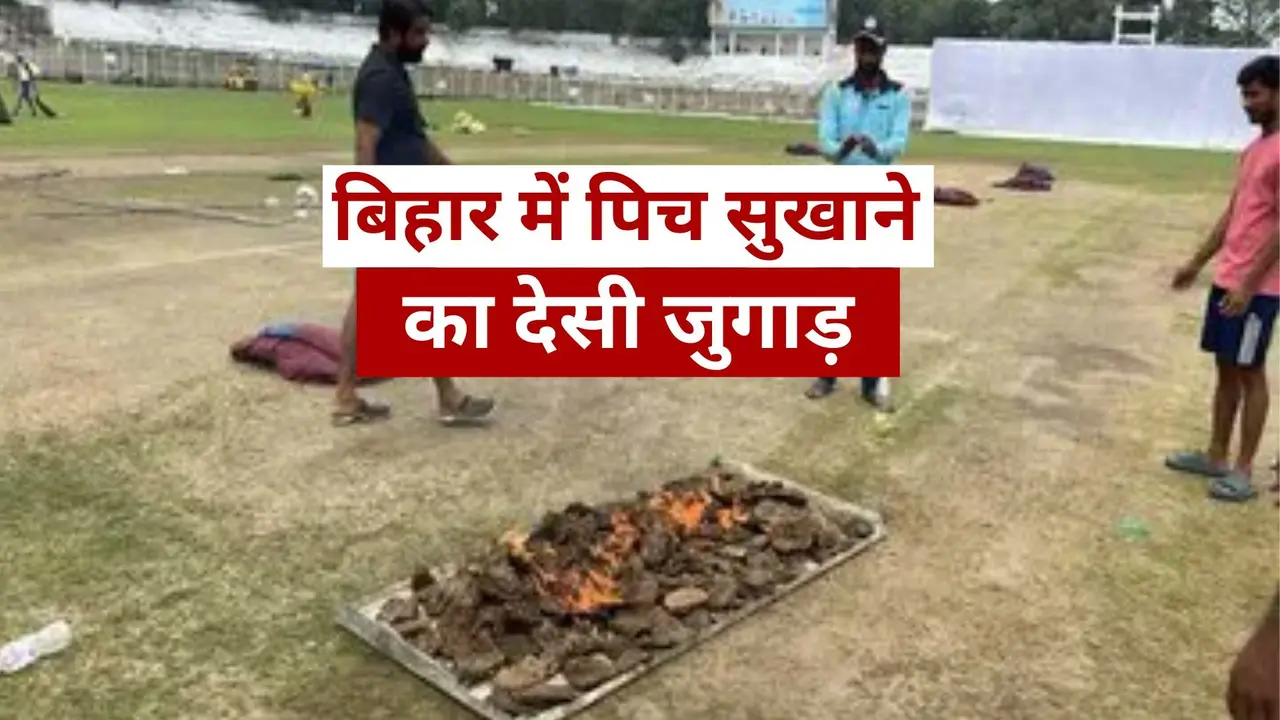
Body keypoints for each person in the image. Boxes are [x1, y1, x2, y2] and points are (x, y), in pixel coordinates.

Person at [332, 0, 494, 427]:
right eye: (419, 34)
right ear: (394, 33)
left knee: (370, 298)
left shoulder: (393, 73)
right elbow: (366, 141)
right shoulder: (381, 78)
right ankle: (447, 396)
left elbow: (415, 141)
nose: (426, 42)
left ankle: (348, 396)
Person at [1167, 54, 1279, 502]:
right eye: (1244, 95)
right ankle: (1215, 455)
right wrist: (1198, 262)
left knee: (1250, 371)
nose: (1246, 104)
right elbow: (1236, 212)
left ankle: (1243, 471)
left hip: (1259, 288)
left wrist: (1250, 284)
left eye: (1254, 94)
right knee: (1225, 368)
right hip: (1229, 279)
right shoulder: (1254, 150)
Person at [804, 17, 910, 412]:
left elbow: (898, 143)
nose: (866, 54)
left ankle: (870, 382)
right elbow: (826, 143)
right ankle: (826, 373)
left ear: (882, 52)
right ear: (855, 50)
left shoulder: (898, 95)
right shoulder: (836, 92)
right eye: (861, 47)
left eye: (873, 48)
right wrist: (844, 147)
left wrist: (874, 146)